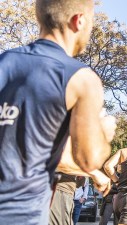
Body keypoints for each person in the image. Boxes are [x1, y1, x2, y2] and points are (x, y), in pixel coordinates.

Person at [0, 0, 117, 224]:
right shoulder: (81, 78)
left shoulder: (4, 61)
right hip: (22, 215)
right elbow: (89, 158)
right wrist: (103, 132)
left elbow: (34, 149)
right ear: (79, 21)